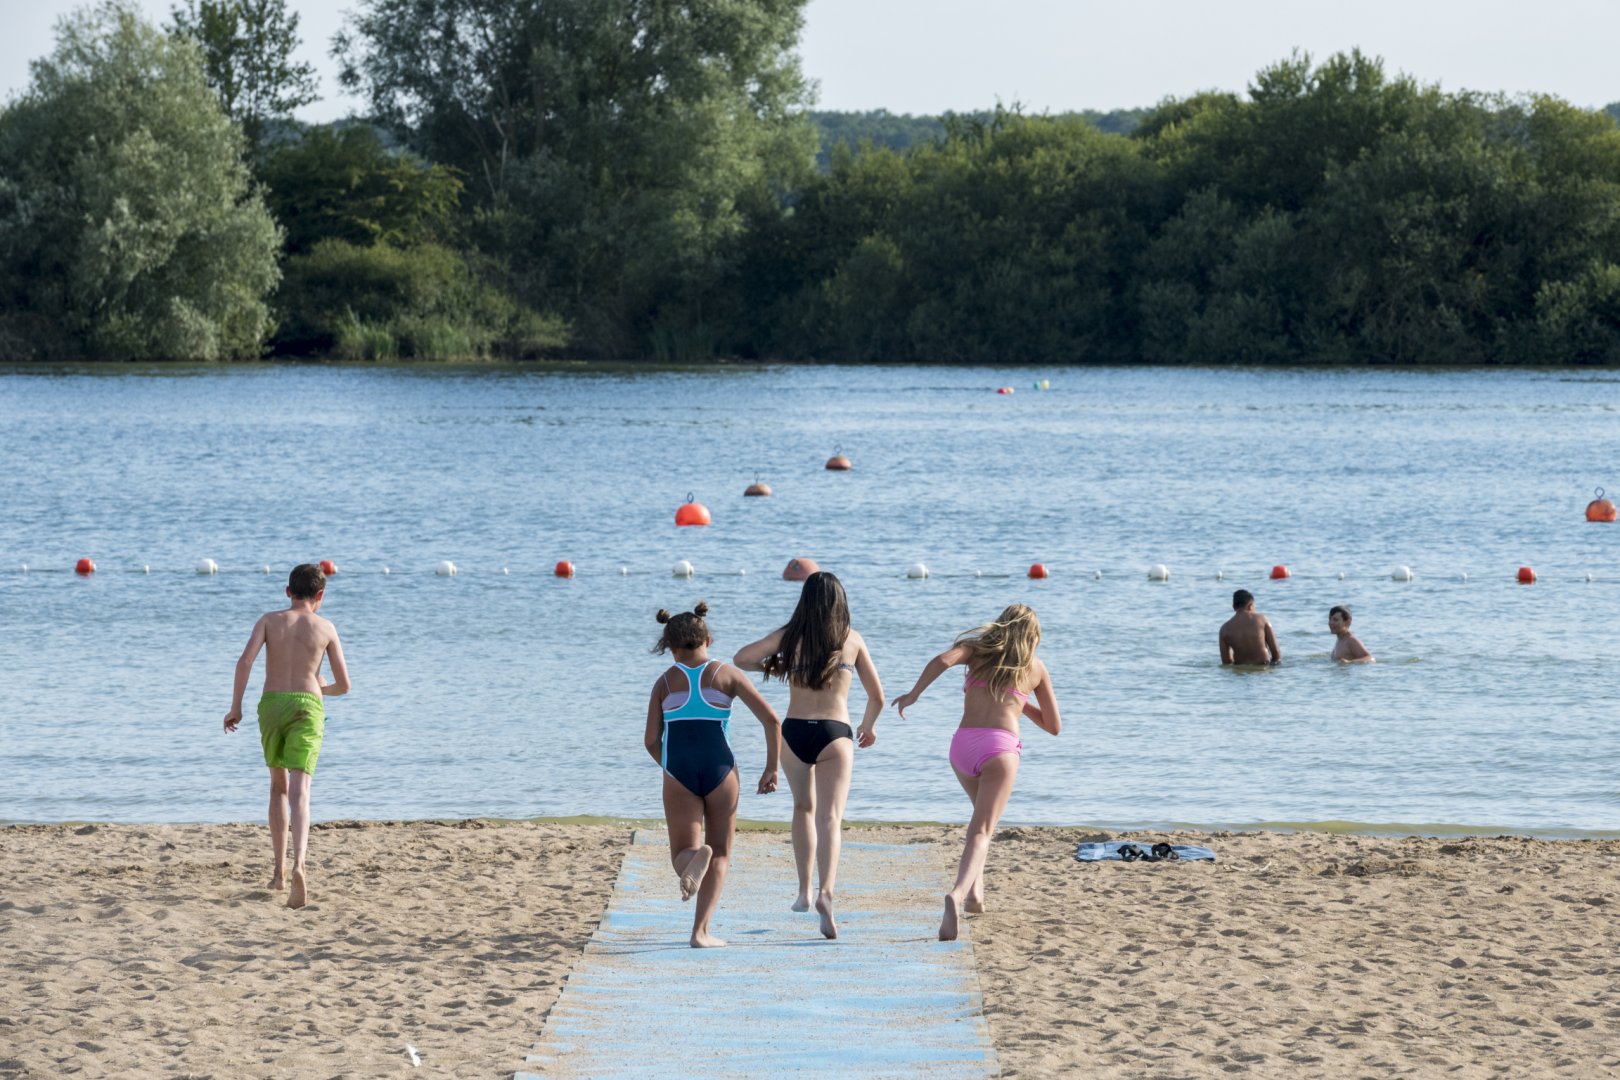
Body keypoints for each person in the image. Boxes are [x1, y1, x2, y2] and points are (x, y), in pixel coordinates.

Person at [890, 603, 1060, 942]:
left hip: (962, 746)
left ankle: (975, 895)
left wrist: (914, 694)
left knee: (979, 824)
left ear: (1001, 625)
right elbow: (1053, 726)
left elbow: (941, 661)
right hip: (999, 748)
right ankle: (956, 894)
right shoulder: (1035, 667)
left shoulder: (975, 651)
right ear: (1033, 636)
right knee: (982, 831)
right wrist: (1019, 698)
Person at [733, 571, 885, 940]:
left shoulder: (790, 636)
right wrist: (868, 726)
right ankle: (826, 893)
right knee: (830, 817)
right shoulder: (852, 639)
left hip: (795, 732)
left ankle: (803, 891)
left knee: (803, 807)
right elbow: (877, 696)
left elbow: (742, 658)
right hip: (835, 732)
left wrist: (773, 666)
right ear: (840, 602)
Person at [645, 601, 780, 948]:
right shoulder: (727, 674)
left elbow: (651, 740)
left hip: (679, 771)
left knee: (682, 852)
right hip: (722, 770)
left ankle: (694, 859)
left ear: (669, 647)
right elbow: (771, 720)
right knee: (720, 853)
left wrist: (670, 768)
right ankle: (700, 932)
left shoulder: (664, 683)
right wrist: (771, 767)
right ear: (708, 639)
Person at [223, 563, 351, 910]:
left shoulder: (269, 620)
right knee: (301, 789)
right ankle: (300, 865)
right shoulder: (325, 627)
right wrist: (322, 688)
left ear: (287, 591)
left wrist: (236, 707)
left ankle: (278, 873)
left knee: (278, 786)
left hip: (272, 705)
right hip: (307, 705)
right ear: (320, 595)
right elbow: (344, 685)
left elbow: (244, 662)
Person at [1220, 589, 1280, 665]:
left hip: (1240, 669)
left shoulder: (1224, 629)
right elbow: (1275, 652)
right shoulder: (1262, 620)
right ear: (1250, 606)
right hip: (1262, 667)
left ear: (1233, 607)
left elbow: (1226, 661)